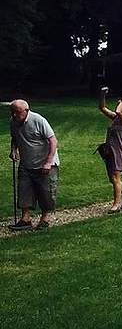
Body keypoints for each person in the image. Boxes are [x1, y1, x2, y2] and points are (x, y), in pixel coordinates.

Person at [9, 99, 59, 231]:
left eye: (17, 112)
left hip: (44, 163)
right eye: (12, 112)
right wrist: (13, 150)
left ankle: (45, 219)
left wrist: (48, 162)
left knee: (46, 192)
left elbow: (53, 140)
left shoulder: (38, 120)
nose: (14, 115)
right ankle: (25, 219)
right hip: (26, 163)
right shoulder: (13, 122)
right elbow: (14, 137)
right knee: (24, 190)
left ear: (26, 110)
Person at [98, 87, 122, 213]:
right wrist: (103, 95)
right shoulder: (116, 118)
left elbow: (118, 111)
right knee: (112, 178)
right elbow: (102, 107)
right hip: (111, 151)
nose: (119, 101)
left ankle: (116, 205)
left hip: (119, 151)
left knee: (115, 178)